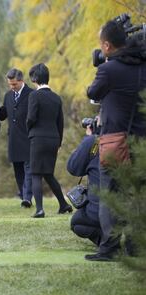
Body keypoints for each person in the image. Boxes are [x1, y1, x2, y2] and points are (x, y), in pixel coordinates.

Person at [86, 20, 146, 261]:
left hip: (115, 142)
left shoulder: (109, 70)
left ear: (108, 46)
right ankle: (136, 246)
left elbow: (93, 93)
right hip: (142, 142)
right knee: (138, 195)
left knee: (109, 195)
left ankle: (109, 248)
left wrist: (105, 66)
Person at [26, 63, 72, 218]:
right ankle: (64, 204)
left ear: (35, 78)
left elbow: (31, 117)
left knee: (36, 174)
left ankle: (39, 209)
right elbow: (61, 123)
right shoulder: (56, 98)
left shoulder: (34, 95)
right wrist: (58, 143)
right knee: (48, 174)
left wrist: (28, 127)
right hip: (53, 139)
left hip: (38, 138)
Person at [0, 68, 33, 207]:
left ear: (21, 81)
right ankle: (23, 195)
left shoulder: (32, 95)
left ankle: (28, 198)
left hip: (28, 138)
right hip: (13, 139)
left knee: (28, 169)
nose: (12, 87)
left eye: (14, 84)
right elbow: (2, 115)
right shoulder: (8, 96)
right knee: (18, 169)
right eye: (10, 84)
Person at [68, 126, 102, 247]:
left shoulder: (95, 142)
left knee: (77, 223)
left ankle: (107, 242)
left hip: (101, 210)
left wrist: (88, 138)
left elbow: (73, 167)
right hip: (133, 208)